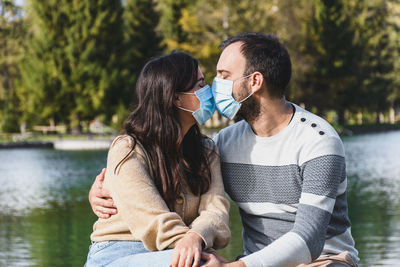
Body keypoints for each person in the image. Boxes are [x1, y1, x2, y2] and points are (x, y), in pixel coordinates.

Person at [90, 33, 359, 267]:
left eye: (223, 76)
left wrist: (232, 264)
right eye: (206, 81)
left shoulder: (317, 141)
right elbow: (138, 190)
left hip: (322, 260)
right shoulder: (226, 143)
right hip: (247, 261)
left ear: (254, 82)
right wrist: (101, 189)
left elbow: (308, 239)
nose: (212, 88)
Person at [85, 51, 230, 267]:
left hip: (180, 251)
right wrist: (200, 252)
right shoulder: (128, 149)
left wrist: (196, 239)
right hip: (116, 254)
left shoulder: (207, 150)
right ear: (176, 97)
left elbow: (215, 211)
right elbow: (152, 222)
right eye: (200, 85)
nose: (207, 91)